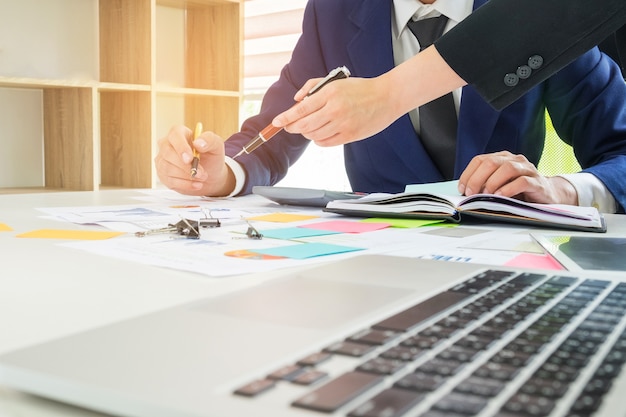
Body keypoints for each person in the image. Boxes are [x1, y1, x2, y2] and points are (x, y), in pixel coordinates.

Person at [155, 0, 626, 215]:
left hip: (506, 261)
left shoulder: (547, 16)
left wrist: (563, 190)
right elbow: (274, 132)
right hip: (373, 263)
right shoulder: (334, 12)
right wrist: (224, 173)